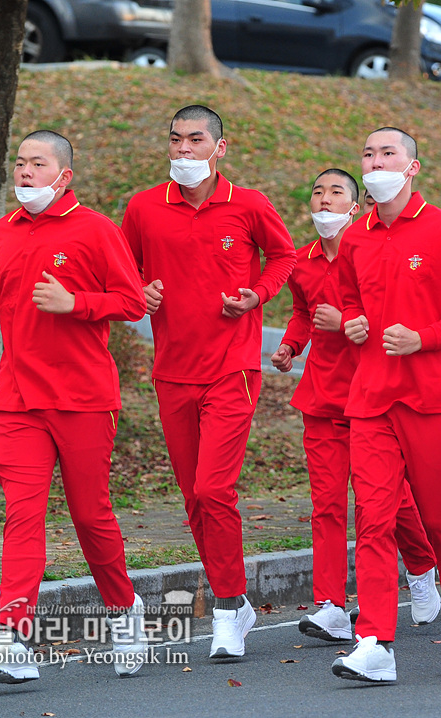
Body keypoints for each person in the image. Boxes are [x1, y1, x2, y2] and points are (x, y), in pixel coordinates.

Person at [0, 130, 148, 683]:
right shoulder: (3, 231)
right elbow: (7, 306)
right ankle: (13, 645)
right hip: (17, 400)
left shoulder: (96, 230)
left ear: (63, 175)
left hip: (82, 398)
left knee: (90, 516)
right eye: (19, 163)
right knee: (23, 516)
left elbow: (133, 301)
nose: (23, 172)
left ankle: (125, 611)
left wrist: (77, 304)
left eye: (36, 163)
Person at [121, 105, 297, 659]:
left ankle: (227, 607)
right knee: (194, 498)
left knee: (212, 489)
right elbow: (121, 272)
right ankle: (234, 599)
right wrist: (138, 292)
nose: (184, 152)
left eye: (196, 141)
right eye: (176, 141)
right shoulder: (144, 207)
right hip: (172, 371)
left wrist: (258, 295)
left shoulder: (247, 204)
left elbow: (284, 256)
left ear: (219, 148)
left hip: (232, 368)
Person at [330, 127, 441, 682]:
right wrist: (355, 324)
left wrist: (424, 339)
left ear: (412, 166)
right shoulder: (355, 238)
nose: (375, 162)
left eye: (387, 154)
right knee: (373, 520)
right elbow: (353, 301)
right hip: (371, 399)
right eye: (368, 153)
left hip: (435, 398)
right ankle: (374, 640)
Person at [270, 169, 441, 642]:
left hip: (375, 394)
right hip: (323, 397)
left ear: (357, 204)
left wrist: (347, 321)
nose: (324, 200)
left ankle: (423, 566)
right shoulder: (302, 262)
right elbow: (304, 313)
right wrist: (291, 344)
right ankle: (330, 604)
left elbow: (392, 311)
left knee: (385, 504)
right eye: (317, 191)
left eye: (336, 193)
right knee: (326, 505)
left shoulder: (371, 250)